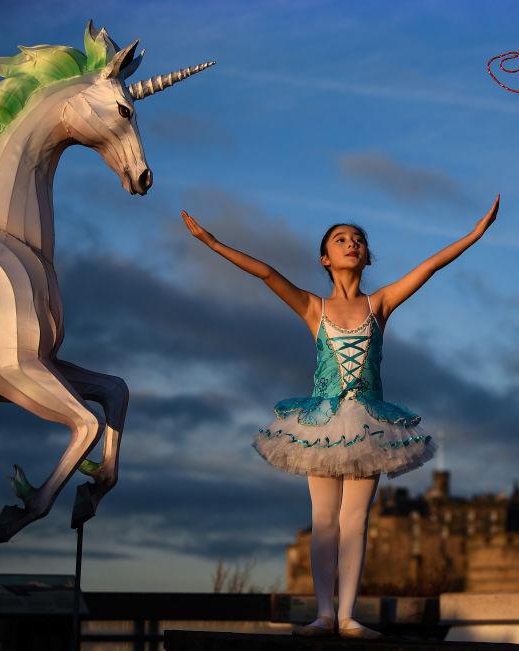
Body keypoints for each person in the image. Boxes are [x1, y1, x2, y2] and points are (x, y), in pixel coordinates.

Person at [182, 196, 499, 639]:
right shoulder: (316, 308)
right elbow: (268, 274)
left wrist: (475, 234)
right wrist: (213, 243)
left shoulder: (380, 304)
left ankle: (349, 616)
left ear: (366, 256)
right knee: (325, 520)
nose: (351, 244)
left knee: (356, 521)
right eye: (341, 239)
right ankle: (324, 614)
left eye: (358, 240)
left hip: (370, 423)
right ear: (325, 258)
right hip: (322, 425)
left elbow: (429, 268)